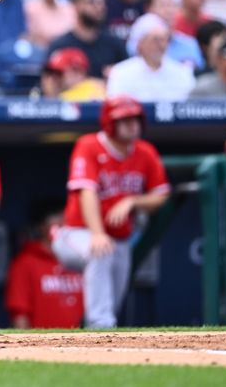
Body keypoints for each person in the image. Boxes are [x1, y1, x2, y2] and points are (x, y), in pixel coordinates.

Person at [52, 96, 170, 328]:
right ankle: (99, 325)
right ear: (109, 122)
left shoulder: (145, 152)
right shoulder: (89, 145)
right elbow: (86, 191)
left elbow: (161, 195)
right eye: (124, 120)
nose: (132, 125)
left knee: (112, 301)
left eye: (135, 119)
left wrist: (132, 201)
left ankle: (97, 334)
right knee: (100, 253)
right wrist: (97, 233)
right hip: (77, 233)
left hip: (119, 240)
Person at [5, 209, 84, 329]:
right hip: (42, 344)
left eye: (67, 226)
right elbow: (19, 313)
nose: (64, 231)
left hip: (82, 344)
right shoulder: (25, 262)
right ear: (42, 227)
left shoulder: (82, 260)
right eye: (58, 226)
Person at [46, 0, 127, 80]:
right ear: (76, 5)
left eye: (102, 2)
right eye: (91, 2)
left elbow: (129, 76)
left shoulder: (114, 44)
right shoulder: (61, 45)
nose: (99, 7)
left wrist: (117, 75)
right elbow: (48, 85)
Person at [107, 13, 196, 102]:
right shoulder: (121, 73)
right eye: (156, 40)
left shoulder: (182, 72)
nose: (161, 45)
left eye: (164, 40)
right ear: (140, 44)